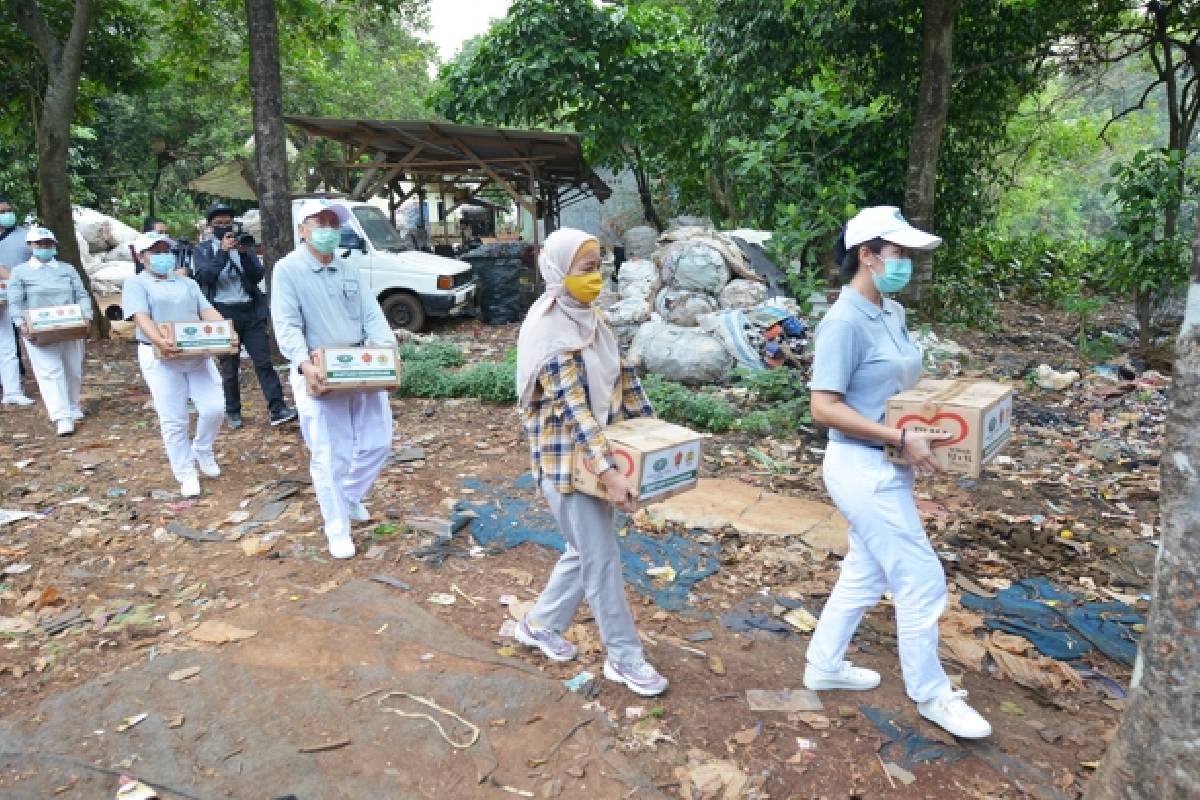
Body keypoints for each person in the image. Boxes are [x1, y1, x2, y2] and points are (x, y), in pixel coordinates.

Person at [804, 206, 992, 739]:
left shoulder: (890, 311)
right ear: (867, 256)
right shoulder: (842, 322)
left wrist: (934, 417)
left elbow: (896, 389)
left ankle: (824, 663)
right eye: (899, 253)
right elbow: (824, 407)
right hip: (859, 466)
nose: (906, 262)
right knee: (921, 579)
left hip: (888, 463)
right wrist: (898, 437)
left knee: (866, 569)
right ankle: (932, 696)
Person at [513, 227, 668, 698]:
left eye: (600, 266)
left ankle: (539, 625)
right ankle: (624, 658)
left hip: (597, 459)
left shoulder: (592, 320)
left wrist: (656, 437)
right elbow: (575, 412)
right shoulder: (551, 330)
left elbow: (624, 381)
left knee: (584, 552)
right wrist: (611, 473)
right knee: (600, 560)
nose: (596, 277)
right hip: (567, 469)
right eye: (586, 269)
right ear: (559, 272)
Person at [271, 200, 395, 559]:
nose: (327, 228)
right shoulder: (288, 270)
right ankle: (337, 529)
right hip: (319, 369)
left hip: (359, 365)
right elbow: (287, 322)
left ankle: (350, 495)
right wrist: (301, 363)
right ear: (302, 229)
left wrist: (386, 352)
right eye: (319, 222)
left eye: (332, 222)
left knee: (378, 442)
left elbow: (371, 314)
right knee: (331, 454)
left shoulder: (348, 267)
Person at [122, 232, 226, 498]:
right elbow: (140, 317)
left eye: (164, 250)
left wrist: (225, 330)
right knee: (174, 419)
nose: (161, 256)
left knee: (214, 408)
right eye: (154, 252)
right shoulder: (136, 284)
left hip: (197, 354)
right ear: (141, 256)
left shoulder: (187, 284)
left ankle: (202, 448)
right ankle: (186, 473)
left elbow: (207, 311)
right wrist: (159, 340)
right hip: (161, 358)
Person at [193, 202, 295, 430]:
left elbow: (258, 275)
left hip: (249, 310)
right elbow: (205, 277)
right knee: (229, 366)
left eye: (228, 222)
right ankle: (233, 411)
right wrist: (222, 252)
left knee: (263, 362)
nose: (224, 226)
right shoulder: (203, 250)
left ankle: (277, 408)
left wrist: (243, 254)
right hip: (221, 313)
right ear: (210, 226)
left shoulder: (244, 245)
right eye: (218, 223)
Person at [8, 226, 91, 435]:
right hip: (38, 329)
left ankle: (73, 406)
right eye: (39, 244)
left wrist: (87, 316)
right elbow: (15, 302)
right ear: (31, 246)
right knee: (50, 371)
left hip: (71, 326)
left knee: (73, 369)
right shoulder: (20, 272)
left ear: (54, 245)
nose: (44, 247)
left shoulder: (67, 269)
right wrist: (21, 324)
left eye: (48, 244)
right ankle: (61, 416)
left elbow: (81, 294)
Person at [0, 196, 34, 406]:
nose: (6, 214)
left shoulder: (25, 236)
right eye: (2, 211)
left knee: (8, 345)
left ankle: (12, 390)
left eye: (8, 210)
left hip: (14, 299)